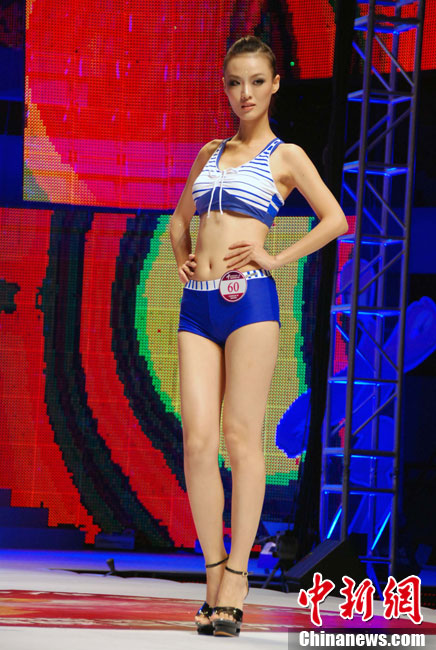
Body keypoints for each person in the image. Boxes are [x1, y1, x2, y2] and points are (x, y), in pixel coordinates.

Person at [169, 35, 348, 637]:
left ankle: (237, 581)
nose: (244, 93)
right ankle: (213, 574)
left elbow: (335, 219)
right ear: (225, 88)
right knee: (198, 442)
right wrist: (182, 256)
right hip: (197, 305)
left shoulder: (286, 156)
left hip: (250, 303)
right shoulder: (209, 152)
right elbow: (180, 219)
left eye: (255, 82)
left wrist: (277, 258)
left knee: (241, 439)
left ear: (274, 86)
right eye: (233, 82)